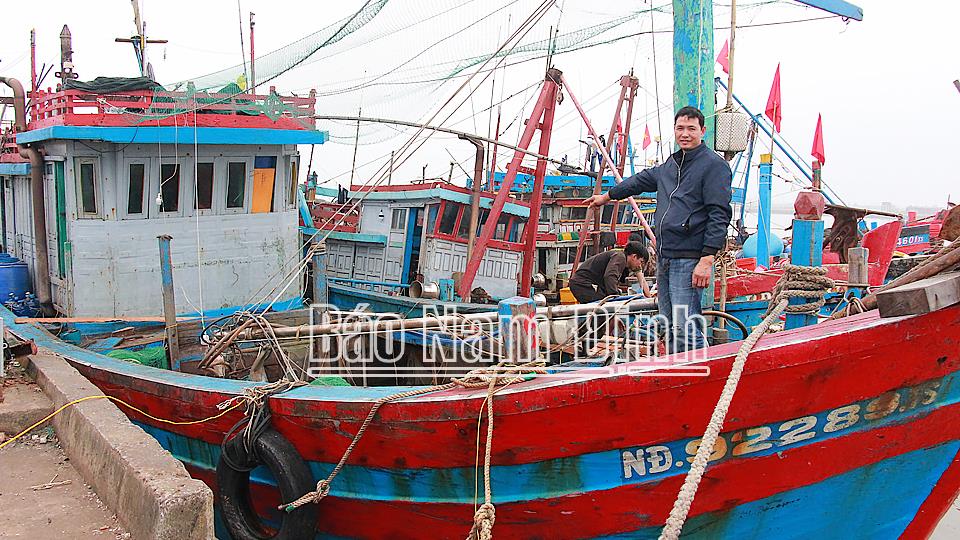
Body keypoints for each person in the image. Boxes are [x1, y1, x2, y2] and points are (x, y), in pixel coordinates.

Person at [585, 106, 732, 352]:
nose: (685, 134)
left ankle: (697, 369)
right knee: (668, 324)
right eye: (680, 128)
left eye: (691, 129)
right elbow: (638, 181)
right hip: (665, 256)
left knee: (686, 326)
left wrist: (706, 260)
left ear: (703, 131)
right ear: (674, 130)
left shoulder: (713, 165)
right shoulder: (670, 165)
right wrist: (607, 197)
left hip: (689, 258)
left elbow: (720, 214)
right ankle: (676, 369)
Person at [568, 241, 649, 303]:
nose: (640, 266)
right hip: (583, 284)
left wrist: (648, 296)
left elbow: (641, 279)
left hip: (583, 284)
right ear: (634, 256)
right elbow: (610, 276)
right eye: (641, 262)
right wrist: (616, 297)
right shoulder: (620, 257)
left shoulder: (623, 260)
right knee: (601, 309)